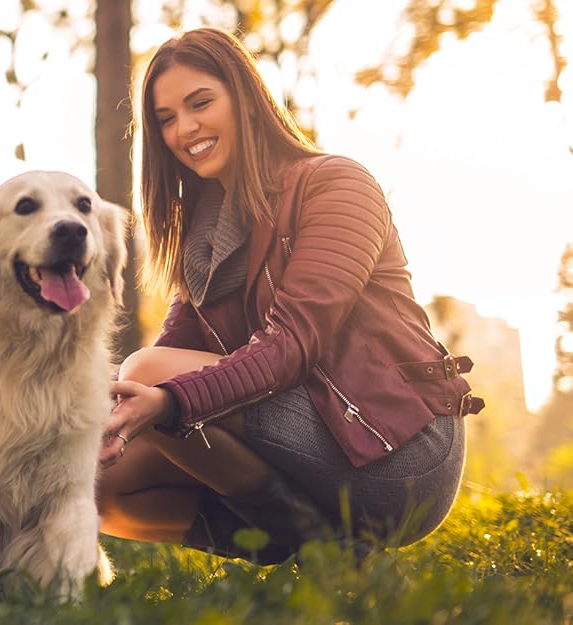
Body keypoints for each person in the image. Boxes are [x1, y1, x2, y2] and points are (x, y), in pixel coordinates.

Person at [95, 27, 482, 564]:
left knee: (148, 373)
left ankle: (307, 541)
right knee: (98, 482)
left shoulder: (336, 185)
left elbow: (292, 344)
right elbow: (174, 351)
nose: (185, 128)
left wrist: (169, 401)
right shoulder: (202, 240)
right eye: (165, 118)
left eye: (200, 103)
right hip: (301, 442)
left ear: (246, 99)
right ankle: (308, 546)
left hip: (398, 454)